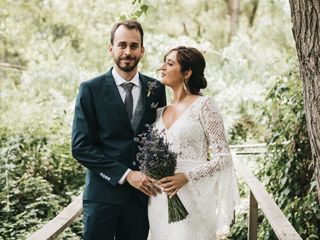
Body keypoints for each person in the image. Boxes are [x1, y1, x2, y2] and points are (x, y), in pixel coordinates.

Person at [71, 20, 166, 240]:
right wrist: (127, 175)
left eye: (134, 46)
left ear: (142, 50)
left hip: (142, 199)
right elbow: (80, 147)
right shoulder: (90, 89)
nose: (127, 51)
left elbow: (160, 138)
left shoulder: (157, 89)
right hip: (102, 197)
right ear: (111, 48)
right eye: (122, 45)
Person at [148, 46, 239, 240]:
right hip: (160, 199)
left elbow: (223, 157)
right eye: (164, 62)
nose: (162, 67)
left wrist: (186, 176)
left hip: (193, 198)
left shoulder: (205, 106)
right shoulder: (160, 111)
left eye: (170, 63)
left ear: (187, 73)